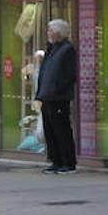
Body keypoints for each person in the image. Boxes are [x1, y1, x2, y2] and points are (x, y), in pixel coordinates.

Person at [36, 18, 78, 174]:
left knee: (62, 130)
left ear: (59, 33)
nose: (48, 33)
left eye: (51, 30)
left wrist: (58, 90)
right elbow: (44, 71)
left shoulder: (67, 50)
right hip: (47, 96)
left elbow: (69, 75)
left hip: (59, 97)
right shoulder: (51, 48)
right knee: (50, 131)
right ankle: (56, 160)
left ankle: (68, 162)